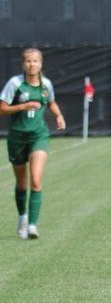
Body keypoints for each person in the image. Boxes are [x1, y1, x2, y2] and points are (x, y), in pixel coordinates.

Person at [0, 47, 66, 239]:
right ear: (23, 64)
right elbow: (2, 108)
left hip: (39, 136)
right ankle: (22, 218)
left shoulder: (46, 84)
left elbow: (51, 102)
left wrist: (59, 115)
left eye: (35, 61)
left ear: (41, 64)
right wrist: (23, 106)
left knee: (36, 179)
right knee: (21, 183)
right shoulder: (15, 83)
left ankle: (32, 226)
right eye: (28, 61)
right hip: (17, 137)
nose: (32, 64)